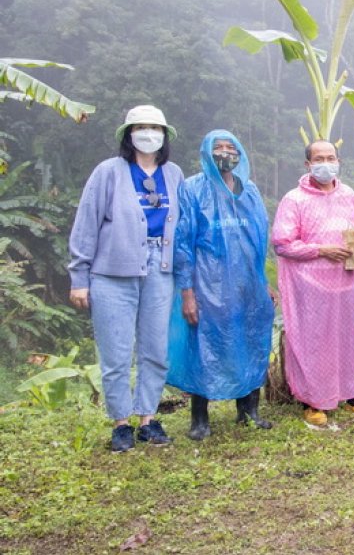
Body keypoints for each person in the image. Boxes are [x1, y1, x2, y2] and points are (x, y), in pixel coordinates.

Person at [68, 105, 183, 452]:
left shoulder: (173, 173)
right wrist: (79, 276)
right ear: (128, 133)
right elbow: (87, 223)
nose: (148, 133)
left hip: (160, 269)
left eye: (154, 128)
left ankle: (147, 418)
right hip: (112, 271)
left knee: (156, 349)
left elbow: (182, 223)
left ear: (164, 135)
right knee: (117, 352)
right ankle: (121, 423)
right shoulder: (109, 172)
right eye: (141, 127)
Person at [167, 130, 277, 441]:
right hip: (208, 282)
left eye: (232, 147)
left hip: (248, 283)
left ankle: (249, 410)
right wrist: (187, 292)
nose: (226, 153)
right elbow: (183, 244)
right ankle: (200, 418)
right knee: (204, 345)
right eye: (219, 147)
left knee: (251, 339)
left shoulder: (250, 191)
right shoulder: (192, 189)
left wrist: (264, 281)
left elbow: (259, 241)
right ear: (206, 152)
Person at [272, 141, 354, 428]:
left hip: (345, 284)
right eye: (318, 158)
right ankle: (313, 401)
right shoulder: (294, 200)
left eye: (330, 157)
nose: (325, 163)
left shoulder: (348, 195)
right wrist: (322, 250)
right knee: (315, 344)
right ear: (308, 165)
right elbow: (283, 244)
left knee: (349, 342)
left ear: (338, 160)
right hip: (310, 288)